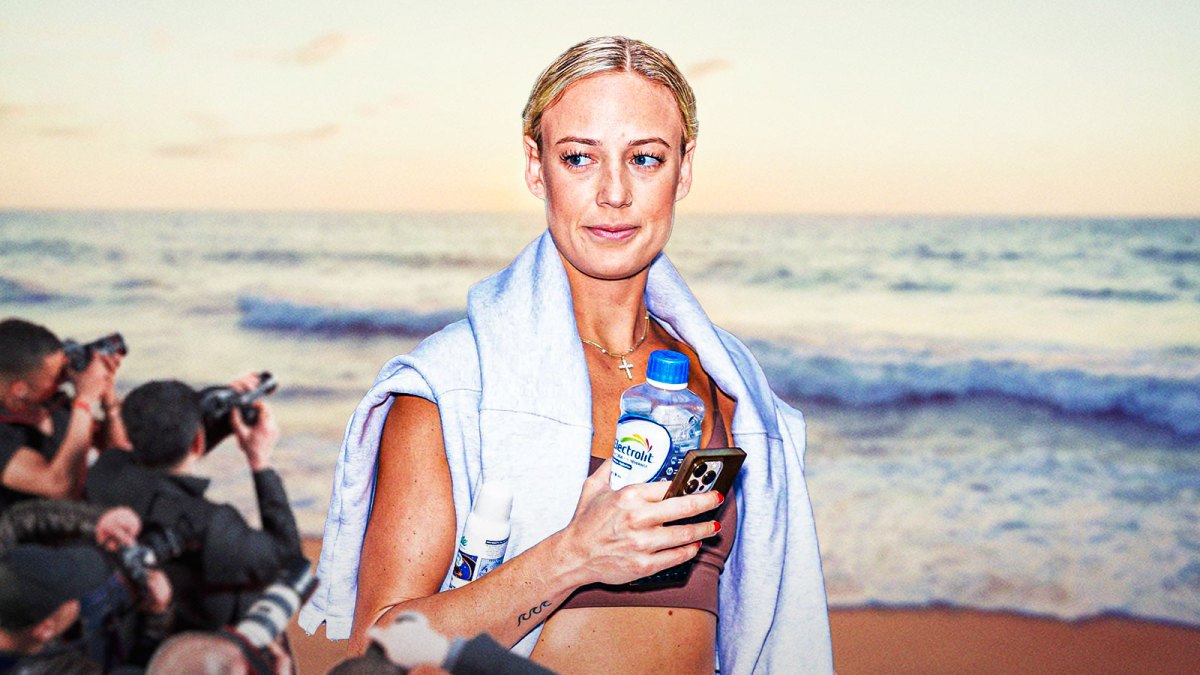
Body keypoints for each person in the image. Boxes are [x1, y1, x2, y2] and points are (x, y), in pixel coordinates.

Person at [300, 36, 832, 673]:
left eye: (645, 158)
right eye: (580, 158)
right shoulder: (453, 385)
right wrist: (573, 556)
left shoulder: (729, 384)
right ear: (536, 166)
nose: (614, 192)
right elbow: (378, 649)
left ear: (684, 170)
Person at [85, 376, 304, 635]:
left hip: (127, 623)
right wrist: (260, 461)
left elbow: (167, 441)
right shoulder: (212, 523)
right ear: (198, 442)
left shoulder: (106, 469)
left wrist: (220, 399)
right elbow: (289, 557)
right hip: (195, 641)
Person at [0, 318, 126, 512]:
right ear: (20, 389)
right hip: (22, 529)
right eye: (55, 376)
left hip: (76, 522)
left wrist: (108, 398)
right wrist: (84, 400)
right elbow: (61, 488)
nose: (64, 378)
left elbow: (118, 455)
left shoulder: (52, 403)